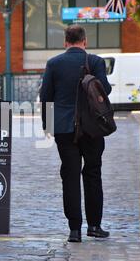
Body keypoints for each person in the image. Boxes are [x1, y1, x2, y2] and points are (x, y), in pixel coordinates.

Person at [40, 25, 112, 243]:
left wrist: (48, 126)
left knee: (69, 176)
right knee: (92, 173)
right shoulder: (96, 62)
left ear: (65, 42)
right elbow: (105, 90)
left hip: (64, 128)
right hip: (91, 127)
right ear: (85, 41)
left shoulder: (54, 64)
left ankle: (74, 230)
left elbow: (46, 97)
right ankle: (94, 225)